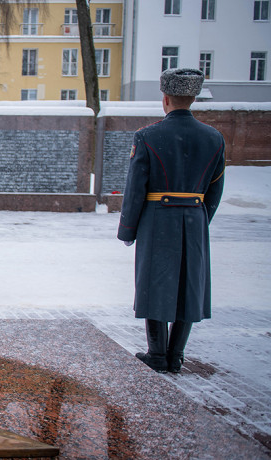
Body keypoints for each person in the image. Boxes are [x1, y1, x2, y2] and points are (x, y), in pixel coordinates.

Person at [117, 68, 226, 374]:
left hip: (157, 220)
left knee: (156, 284)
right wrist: (200, 218)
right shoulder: (214, 138)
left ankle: (156, 354)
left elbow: (136, 188)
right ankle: (176, 355)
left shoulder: (148, 136)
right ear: (193, 98)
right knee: (189, 286)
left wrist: (128, 228)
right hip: (194, 218)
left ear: (165, 99)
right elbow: (215, 188)